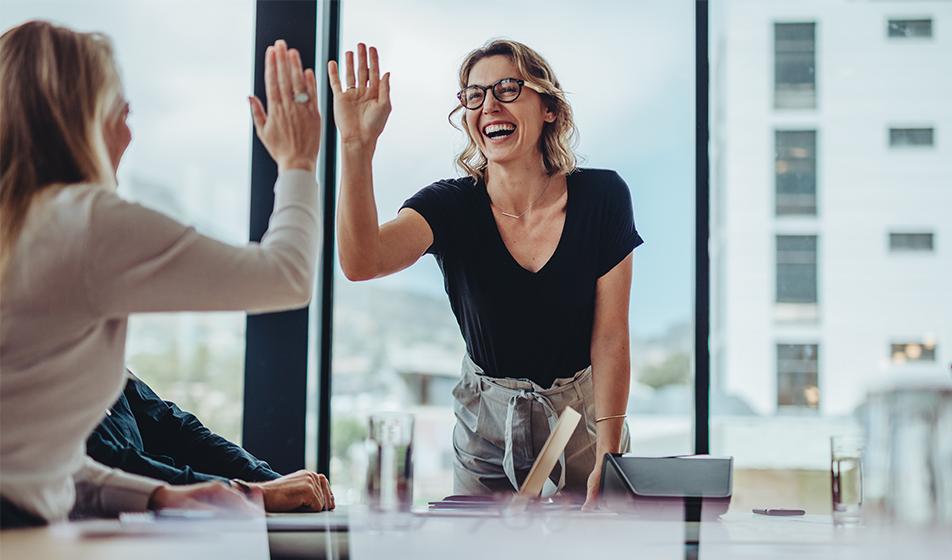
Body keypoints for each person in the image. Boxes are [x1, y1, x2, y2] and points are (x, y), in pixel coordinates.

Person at [0, 20, 322, 528]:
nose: (129, 133)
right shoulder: (84, 220)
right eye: (121, 111)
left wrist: (156, 495)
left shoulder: (18, 226)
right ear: (79, 116)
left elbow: (24, 462)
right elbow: (287, 276)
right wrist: (298, 161)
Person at [328, 40, 642, 508]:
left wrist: (610, 450)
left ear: (550, 107)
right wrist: (356, 147)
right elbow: (361, 261)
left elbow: (611, 336)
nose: (488, 104)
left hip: (584, 420)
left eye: (508, 88)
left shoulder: (603, 196)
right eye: (474, 96)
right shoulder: (449, 205)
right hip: (487, 425)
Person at [87, 370, 335, 512]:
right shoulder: (53, 354)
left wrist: (270, 481)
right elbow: (102, 463)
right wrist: (252, 493)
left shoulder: (97, 350)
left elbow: (175, 430)